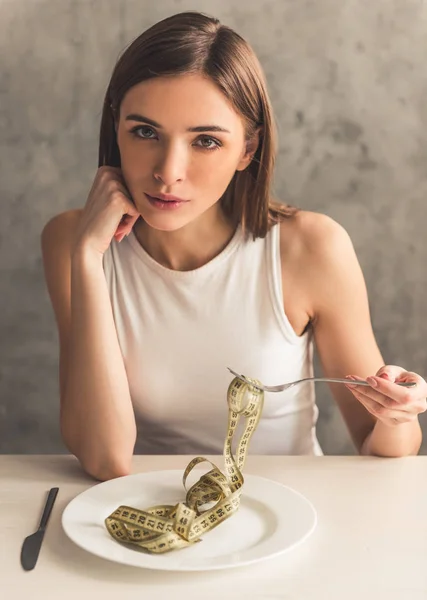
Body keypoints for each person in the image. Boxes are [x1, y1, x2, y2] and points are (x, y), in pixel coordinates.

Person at [41, 11, 427, 481]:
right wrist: (86, 258)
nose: (168, 171)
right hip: (154, 514)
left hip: (293, 517)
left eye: (205, 141)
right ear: (115, 127)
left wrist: (398, 415)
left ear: (247, 149)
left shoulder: (312, 249)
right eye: (145, 132)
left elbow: (383, 447)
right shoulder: (71, 242)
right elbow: (105, 460)